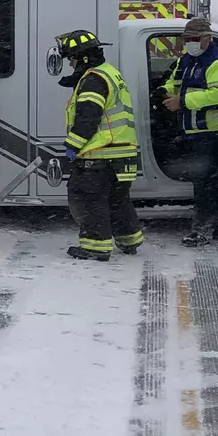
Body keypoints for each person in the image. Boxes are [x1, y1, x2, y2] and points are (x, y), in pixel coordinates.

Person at [57, 29, 144, 262]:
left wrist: (73, 145)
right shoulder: (109, 73)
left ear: (83, 58)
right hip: (122, 152)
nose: (71, 65)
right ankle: (129, 240)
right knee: (117, 199)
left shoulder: (93, 80)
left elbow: (88, 117)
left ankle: (95, 246)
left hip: (101, 153)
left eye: (72, 59)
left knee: (88, 198)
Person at [160, 17, 218, 246]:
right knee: (204, 180)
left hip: (213, 133)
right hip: (192, 130)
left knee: (203, 182)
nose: (189, 43)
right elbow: (174, 82)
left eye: (193, 39)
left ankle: (202, 229)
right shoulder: (186, 60)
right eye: (186, 39)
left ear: (207, 39)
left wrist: (182, 101)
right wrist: (163, 92)